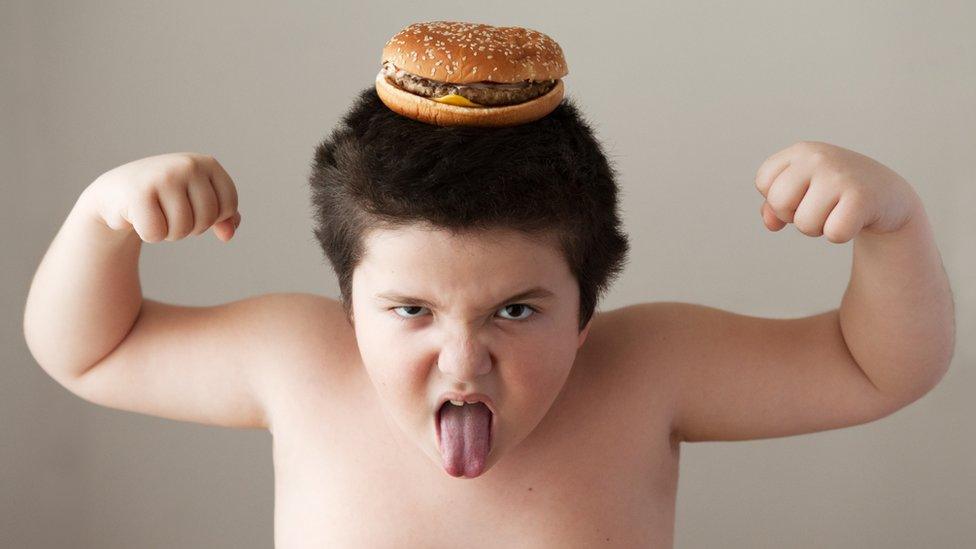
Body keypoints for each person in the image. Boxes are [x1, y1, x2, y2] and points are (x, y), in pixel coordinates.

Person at [22, 87, 955, 547]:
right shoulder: (302, 362)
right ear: (350, 304)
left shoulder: (644, 372)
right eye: (410, 310)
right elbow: (90, 351)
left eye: (516, 309)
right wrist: (104, 219)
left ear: (588, 308)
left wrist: (894, 227)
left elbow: (876, 366)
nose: (462, 359)